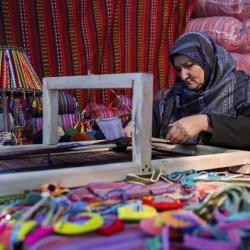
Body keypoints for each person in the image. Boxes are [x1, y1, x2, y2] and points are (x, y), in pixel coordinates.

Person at [124, 32, 250, 149]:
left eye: (189, 65)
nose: (184, 76)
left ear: (207, 60)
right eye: (179, 69)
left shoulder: (242, 88)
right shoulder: (179, 94)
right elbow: (157, 114)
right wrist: (137, 123)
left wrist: (205, 122)